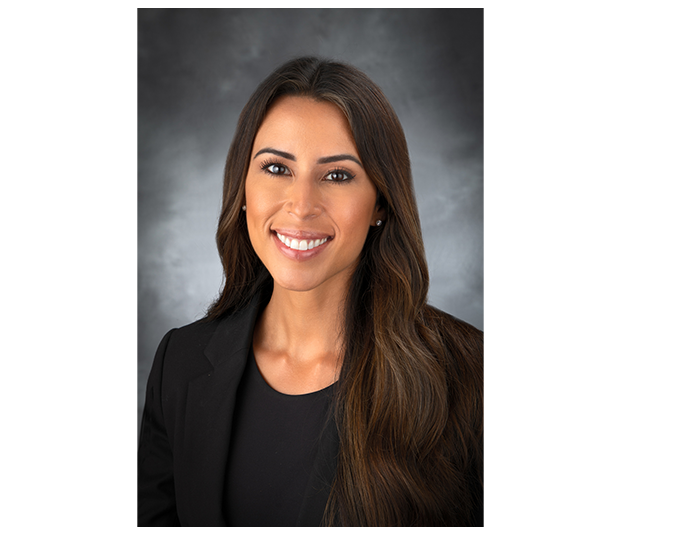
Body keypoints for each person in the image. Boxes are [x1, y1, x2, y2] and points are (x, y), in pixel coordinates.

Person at [137, 56, 483, 527]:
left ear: (381, 201)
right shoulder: (180, 362)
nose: (301, 207)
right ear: (242, 187)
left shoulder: (472, 376)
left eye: (337, 175)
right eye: (277, 168)